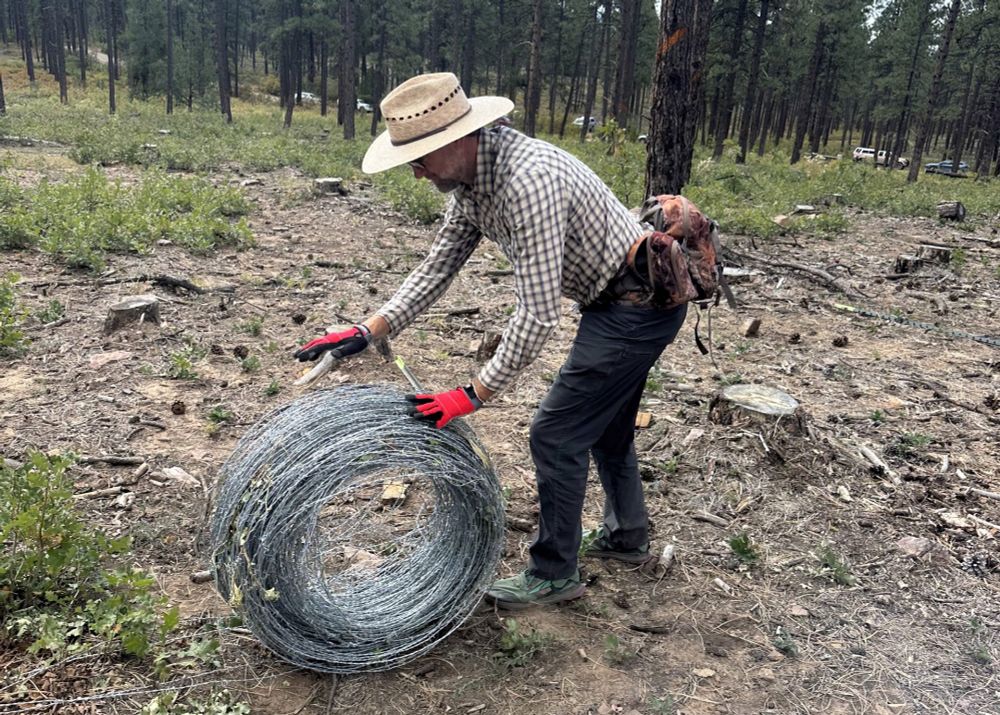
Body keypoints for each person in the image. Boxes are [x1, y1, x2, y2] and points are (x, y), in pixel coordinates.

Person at [294, 72, 688, 609]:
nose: (416, 171)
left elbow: (539, 311)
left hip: (636, 308)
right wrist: (371, 329)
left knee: (555, 433)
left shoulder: (527, 182)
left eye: (421, 157)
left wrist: (474, 392)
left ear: (457, 140)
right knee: (605, 425)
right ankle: (626, 536)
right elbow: (439, 265)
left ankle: (554, 573)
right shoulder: (473, 183)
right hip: (618, 303)